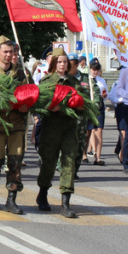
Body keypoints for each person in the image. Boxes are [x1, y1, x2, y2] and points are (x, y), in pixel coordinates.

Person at [35, 48, 86, 218]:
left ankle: (65, 202)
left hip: (69, 129)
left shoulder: (74, 83)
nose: (63, 65)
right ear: (54, 63)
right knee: (48, 163)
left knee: (68, 163)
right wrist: (51, 107)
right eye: (60, 61)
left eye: (65, 62)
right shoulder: (47, 82)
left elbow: (82, 106)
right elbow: (40, 105)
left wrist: (76, 106)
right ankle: (42, 194)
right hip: (51, 129)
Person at [0, 35, 30, 214]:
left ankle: (11, 199)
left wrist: (26, 107)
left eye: (12, 52)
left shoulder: (20, 73)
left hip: (16, 124)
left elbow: (27, 94)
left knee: (15, 161)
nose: (9, 55)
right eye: (6, 52)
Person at [84, 59, 108, 166]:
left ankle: (97, 157)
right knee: (88, 132)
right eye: (93, 69)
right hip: (88, 108)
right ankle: (84, 154)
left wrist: (104, 95)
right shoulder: (85, 79)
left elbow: (106, 94)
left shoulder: (101, 81)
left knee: (99, 132)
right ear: (90, 69)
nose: (95, 72)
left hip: (99, 108)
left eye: (97, 69)